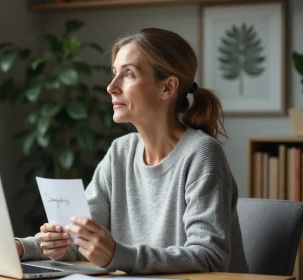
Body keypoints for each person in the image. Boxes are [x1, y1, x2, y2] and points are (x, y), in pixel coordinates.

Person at [15, 28, 248, 275]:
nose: (111, 87)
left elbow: (211, 257)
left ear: (168, 88)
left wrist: (118, 255)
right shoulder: (121, 151)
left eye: (128, 74)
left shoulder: (202, 154)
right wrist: (24, 247)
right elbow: (77, 237)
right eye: (115, 73)